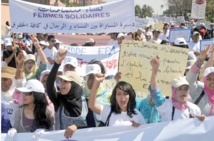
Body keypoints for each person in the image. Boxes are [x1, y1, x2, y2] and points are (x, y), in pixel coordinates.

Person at [46, 49, 88, 139]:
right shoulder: (59, 100)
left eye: (65, 81)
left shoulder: (86, 103)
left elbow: (92, 126)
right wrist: (57, 63)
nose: (61, 84)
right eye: (61, 81)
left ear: (74, 84)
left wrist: (77, 127)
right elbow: (49, 84)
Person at [149, 56, 205, 121]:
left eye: (186, 89)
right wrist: (155, 69)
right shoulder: (166, 106)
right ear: (174, 91)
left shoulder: (195, 109)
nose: (183, 92)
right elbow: (154, 90)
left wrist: (200, 121)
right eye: (180, 89)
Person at [186, 46, 214, 116]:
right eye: (209, 79)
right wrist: (200, 59)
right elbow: (190, 79)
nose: (212, 81)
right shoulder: (198, 90)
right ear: (204, 80)